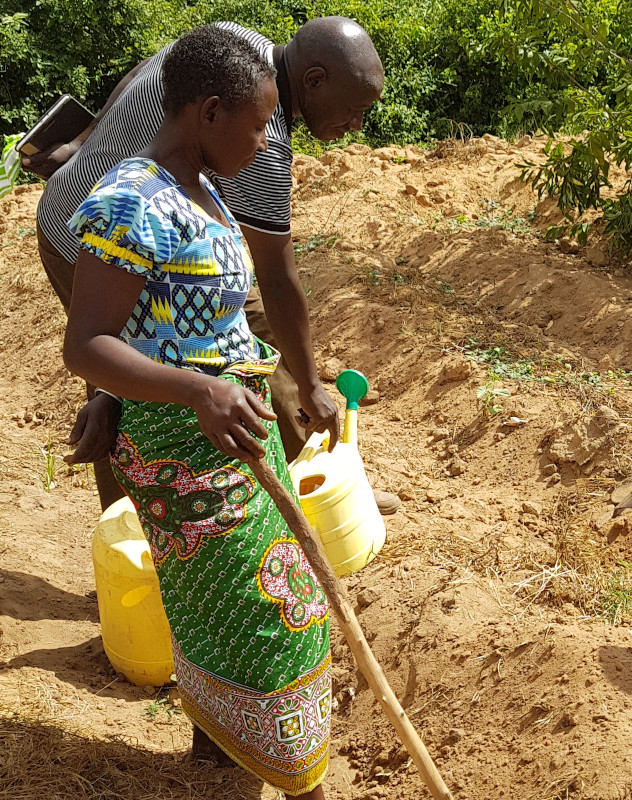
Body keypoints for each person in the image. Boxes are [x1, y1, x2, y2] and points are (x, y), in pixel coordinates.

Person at [62, 26, 332, 797]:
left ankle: (225, 757)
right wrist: (193, 391)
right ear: (209, 111)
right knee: (263, 611)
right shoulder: (128, 202)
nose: (264, 140)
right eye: (257, 124)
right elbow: (86, 343)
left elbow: (166, 320)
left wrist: (224, 386)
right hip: (188, 449)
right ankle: (299, 780)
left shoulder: (204, 190)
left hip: (234, 437)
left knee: (255, 602)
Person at [28, 16, 390, 513]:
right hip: (88, 234)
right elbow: (277, 279)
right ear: (314, 81)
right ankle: (143, 529)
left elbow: (139, 74)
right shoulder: (253, 128)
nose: (356, 126)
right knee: (129, 380)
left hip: (96, 202)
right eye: (353, 111)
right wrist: (309, 385)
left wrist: (83, 140)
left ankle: (299, 482)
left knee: (202, 352)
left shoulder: (229, 42)